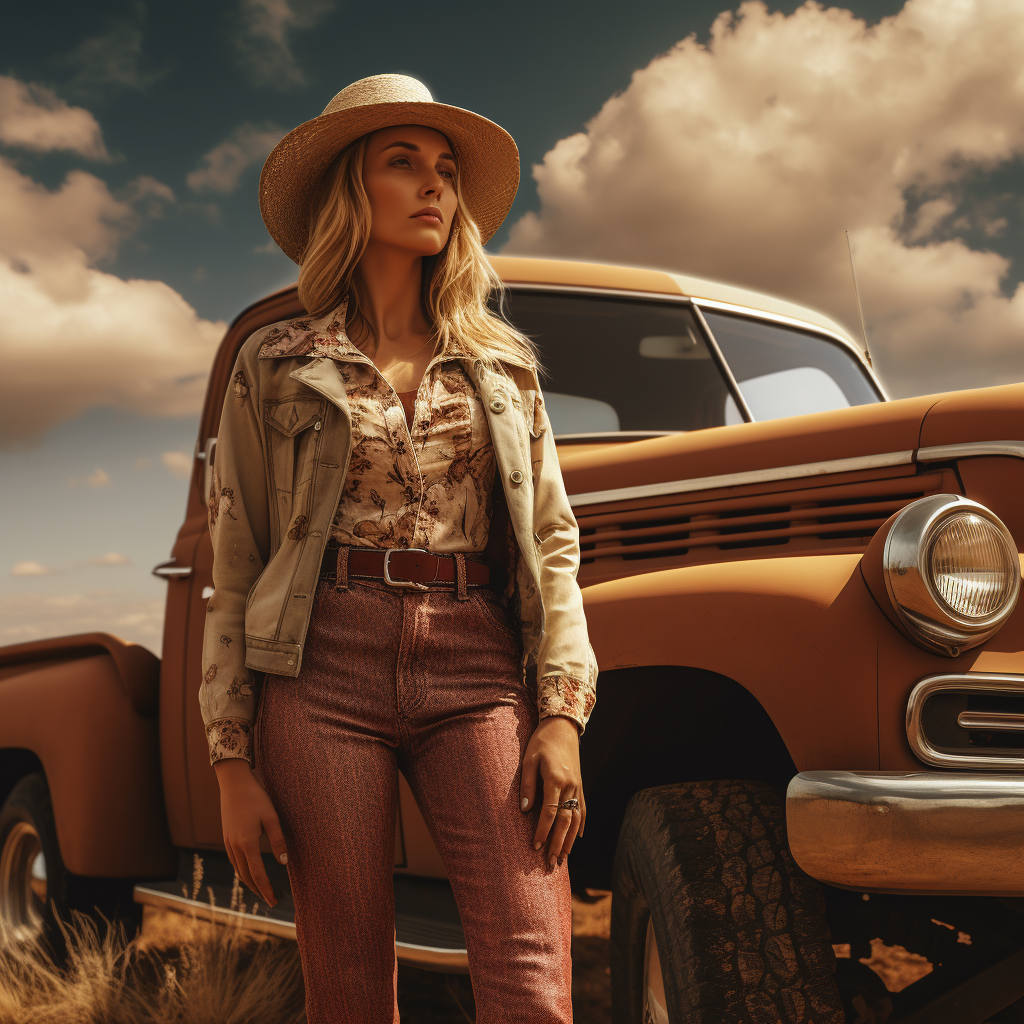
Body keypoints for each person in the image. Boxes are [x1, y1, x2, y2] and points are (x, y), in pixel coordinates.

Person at [199, 73, 598, 1023]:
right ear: (351, 188)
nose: (434, 187)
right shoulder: (276, 362)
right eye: (403, 163)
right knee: (347, 979)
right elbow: (238, 558)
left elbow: (551, 542)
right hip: (319, 665)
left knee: (533, 968)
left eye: (447, 170)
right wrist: (229, 759)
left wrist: (562, 716)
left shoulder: (503, 368)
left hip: (477, 663)